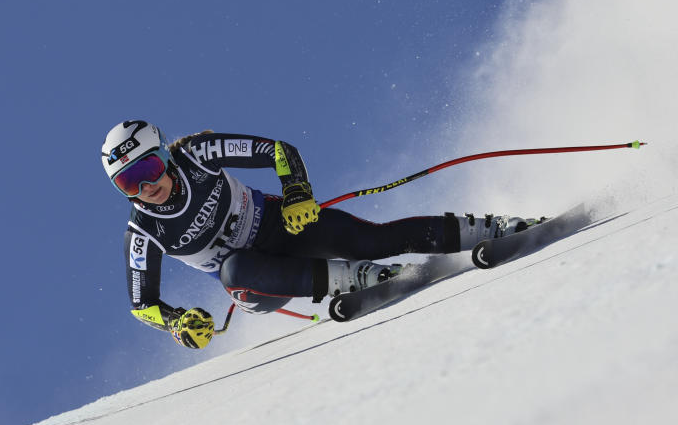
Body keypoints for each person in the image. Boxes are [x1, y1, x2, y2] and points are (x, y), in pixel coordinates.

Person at [102, 120, 537, 349]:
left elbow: (276, 151)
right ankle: (360, 279)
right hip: (259, 284)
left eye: (148, 169)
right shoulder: (143, 232)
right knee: (235, 270)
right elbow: (142, 306)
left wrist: (295, 191)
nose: (146, 188)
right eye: (128, 184)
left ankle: (489, 229)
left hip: (280, 225)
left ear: (163, 154)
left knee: (372, 240)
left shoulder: (196, 155)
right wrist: (179, 322)